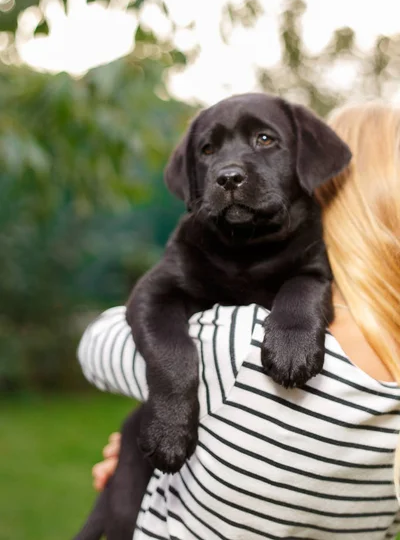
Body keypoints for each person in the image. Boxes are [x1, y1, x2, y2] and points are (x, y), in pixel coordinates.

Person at [78, 102, 400, 539]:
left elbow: (96, 346)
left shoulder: (234, 349)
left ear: (324, 185)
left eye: (265, 140)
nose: (230, 168)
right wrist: (168, 410)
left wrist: (176, 401)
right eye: (209, 150)